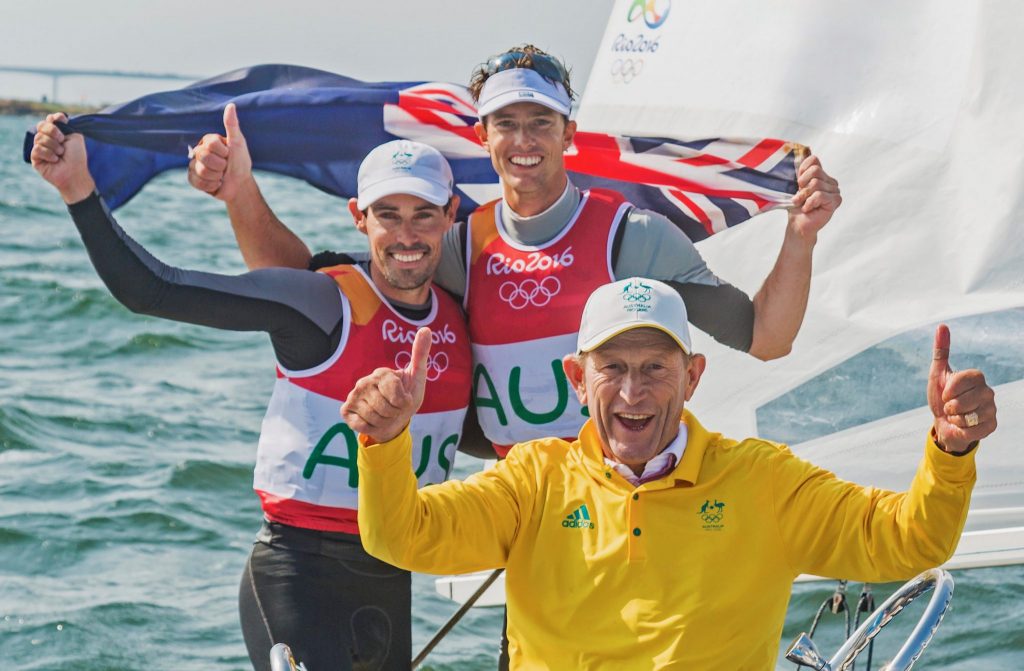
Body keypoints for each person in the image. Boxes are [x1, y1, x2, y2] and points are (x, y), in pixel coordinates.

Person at [187, 45, 843, 458]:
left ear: (569, 133)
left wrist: (800, 236)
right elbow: (302, 287)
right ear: (484, 135)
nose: (523, 139)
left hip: (620, 504)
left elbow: (765, 336)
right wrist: (239, 190)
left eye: (540, 122)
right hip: (522, 510)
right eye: (506, 122)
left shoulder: (632, 238)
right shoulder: (455, 249)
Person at [343, 277, 997, 670]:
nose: (634, 391)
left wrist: (949, 451)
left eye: (655, 367)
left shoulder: (762, 480)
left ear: (693, 377)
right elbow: (405, 537)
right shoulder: (534, 479)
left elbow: (910, 539)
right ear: (577, 379)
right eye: (613, 368)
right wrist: (385, 441)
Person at [30, 110, 474, 671]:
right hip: (298, 574)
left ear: (450, 216)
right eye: (388, 215)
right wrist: (78, 190)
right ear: (359, 218)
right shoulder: (320, 303)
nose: (407, 235)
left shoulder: (458, 324)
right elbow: (155, 290)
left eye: (423, 215)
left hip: (392, 576)